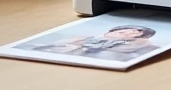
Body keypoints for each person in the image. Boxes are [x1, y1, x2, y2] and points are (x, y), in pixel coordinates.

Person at [18, 24, 160, 62]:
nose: (130, 32)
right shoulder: (77, 39)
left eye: (136, 32)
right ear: (108, 33)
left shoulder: (144, 47)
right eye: (122, 31)